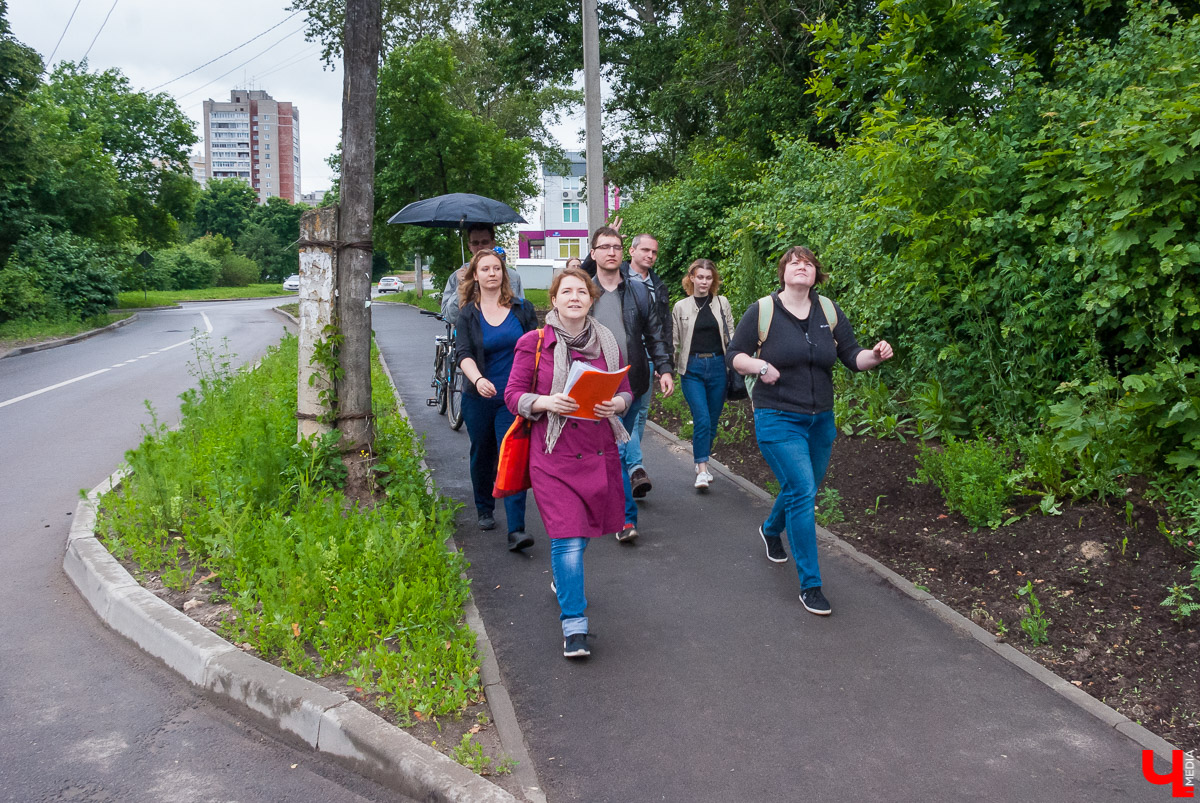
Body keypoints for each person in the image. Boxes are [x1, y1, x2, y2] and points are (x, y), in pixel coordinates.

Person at [727, 246, 893, 616]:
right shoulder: (763, 310)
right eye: (795, 262)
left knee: (803, 487)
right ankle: (811, 585)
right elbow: (734, 355)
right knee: (803, 491)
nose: (802, 267)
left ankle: (771, 529)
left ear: (817, 274)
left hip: (821, 420)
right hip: (777, 416)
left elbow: (853, 356)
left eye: (809, 263)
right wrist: (758, 366)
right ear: (783, 271)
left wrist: (876, 355)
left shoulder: (829, 311)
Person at [504, 267, 633, 658]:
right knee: (569, 540)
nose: (575, 297)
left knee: (582, 535)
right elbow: (513, 395)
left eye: (582, 291)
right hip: (553, 455)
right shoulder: (534, 342)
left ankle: (564, 581)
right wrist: (545, 402)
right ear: (554, 299)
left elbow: (626, 389)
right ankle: (574, 626)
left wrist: (618, 403)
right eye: (567, 291)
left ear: (591, 299)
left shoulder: (607, 341)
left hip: (599, 451)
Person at [587, 227, 674, 543]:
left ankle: (625, 521)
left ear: (623, 253)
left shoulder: (637, 292)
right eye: (605, 246)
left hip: (630, 384)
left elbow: (655, 335)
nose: (611, 252)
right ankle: (596, 508)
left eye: (617, 246)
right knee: (596, 452)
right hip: (592, 386)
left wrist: (664, 369)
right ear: (593, 252)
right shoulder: (584, 291)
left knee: (620, 450)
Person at [455, 249, 539, 549]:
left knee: (512, 454)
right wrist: (477, 380)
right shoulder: (468, 314)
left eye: (497, 268)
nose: (492, 273)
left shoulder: (522, 309)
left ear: (503, 274)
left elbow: (537, 347)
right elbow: (462, 353)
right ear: (475, 275)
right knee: (484, 453)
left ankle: (517, 528)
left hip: (513, 398)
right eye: (485, 269)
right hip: (478, 396)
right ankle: (484, 508)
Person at [671, 259, 736, 490]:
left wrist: (738, 362)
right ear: (692, 278)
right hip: (692, 369)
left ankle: (701, 457)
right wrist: (667, 370)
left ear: (713, 280)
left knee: (713, 421)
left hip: (719, 366)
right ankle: (702, 468)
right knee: (702, 418)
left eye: (708, 278)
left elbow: (731, 335)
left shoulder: (722, 303)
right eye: (700, 277)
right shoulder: (681, 306)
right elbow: (675, 340)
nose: (704, 282)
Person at [440, 223, 524, 326]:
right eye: (475, 243)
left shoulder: (512, 277)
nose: (480, 247)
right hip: (468, 337)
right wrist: (462, 286)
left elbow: (521, 314)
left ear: (493, 243)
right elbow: (448, 317)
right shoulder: (456, 277)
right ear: (469, 246)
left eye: (484, 242)